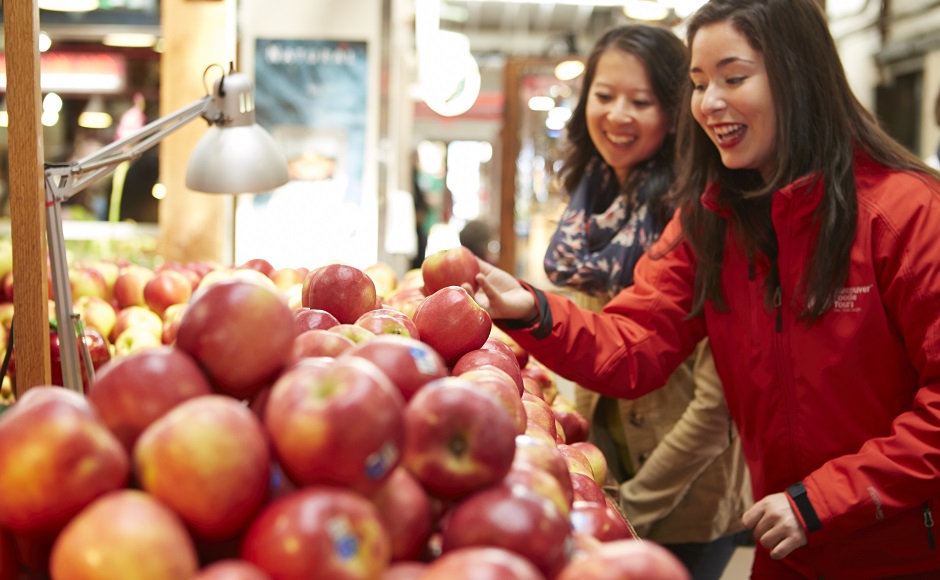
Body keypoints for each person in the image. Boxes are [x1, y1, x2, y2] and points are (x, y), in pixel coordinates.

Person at [466, 0, 940, 577]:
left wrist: (824, 500)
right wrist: (531, 310)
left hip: (902, 550)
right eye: (697, 83)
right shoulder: (712, 222)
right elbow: (634, 342)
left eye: (733, 78)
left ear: (798, 75)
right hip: (787, 549)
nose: (709, 103)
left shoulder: (907, 214)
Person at [541, 24, 750, 579]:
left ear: (678, 112)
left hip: (684, 497)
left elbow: (717, 405)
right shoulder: (593, 195)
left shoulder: (699, 210)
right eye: (604, 96)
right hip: (608, 469)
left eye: (642, 101)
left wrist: (635, 502)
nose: (617, 116)